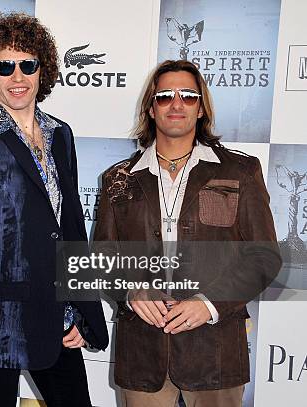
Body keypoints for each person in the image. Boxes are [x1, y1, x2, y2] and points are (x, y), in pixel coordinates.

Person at [0, 13, 108, 407]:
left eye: (27, 65)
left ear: (42, 70)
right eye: (4, 66)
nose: (17, 77)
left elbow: (71, 229)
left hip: (57, 316)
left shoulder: (61, 135)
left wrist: (81, 311)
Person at [93, 59, 281, 407]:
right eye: (164, 96)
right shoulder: (118, 179)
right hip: (143, 355)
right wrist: (131, 291)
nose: (176, 103)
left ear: (201, 108)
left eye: (188, 96)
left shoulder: (241, 171)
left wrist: (209, 304)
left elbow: (264, 257)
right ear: (151, 108)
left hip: (216, 352)